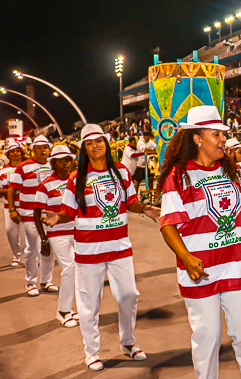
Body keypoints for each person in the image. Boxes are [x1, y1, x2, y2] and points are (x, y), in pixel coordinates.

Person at [43, 123, 160, 371]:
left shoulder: (121, 171)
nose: (95, 146)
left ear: (106, 144)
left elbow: (132, 202)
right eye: (89, 143)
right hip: (88, 250)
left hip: (119, 246)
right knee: (89, 303)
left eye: (99, 141)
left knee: (128, 295)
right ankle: (92, 351)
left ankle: (128, 343)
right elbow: (68, 211)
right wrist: (56, 218)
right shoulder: (76, 178)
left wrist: (146, 209)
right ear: (84, 149)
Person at [159, 106, 241, 379]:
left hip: (235, 265)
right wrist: (187, 258)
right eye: (216, 134)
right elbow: (168, 225)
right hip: (200, 269)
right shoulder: (179, 177)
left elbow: (240, 223)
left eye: (224, 134)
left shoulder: (233, 173)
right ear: (197, 138)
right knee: (208, 338)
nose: (223, 139)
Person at [33, 145, 78, 327]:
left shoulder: (75, 180)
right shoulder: (45, 185)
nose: (66, 163)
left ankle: (72, 309)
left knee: (79, 271)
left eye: (68, 160)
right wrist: (44, 238)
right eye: (62, 160)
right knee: (70, 268)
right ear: (53, 163)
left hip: (77, 231)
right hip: (57, 233)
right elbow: (36, 214)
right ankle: (63, 311)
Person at [9, 135, 56, 296]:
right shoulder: (23, 166)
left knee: (49, 247)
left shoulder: (53, 165)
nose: (43, 150)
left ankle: (46, 280)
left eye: (45, 147)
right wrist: (12, 210)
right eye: (39, 147)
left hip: (49, 213)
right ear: (32, 149)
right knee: (32, 247)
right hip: (29, 213)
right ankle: (30, 282)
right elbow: (12, 189)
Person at [0, 140, 26, 267]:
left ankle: (27, 256)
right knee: (10, 231)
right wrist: (11, 192)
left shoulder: (27, 167)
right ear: (8, 155)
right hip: (9, 206)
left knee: (25, 233)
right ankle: (16, 255)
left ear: (21, 153)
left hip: (26, 205)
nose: (15, 153)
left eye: (17, 151)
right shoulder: (3, 171)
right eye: (12, 152)